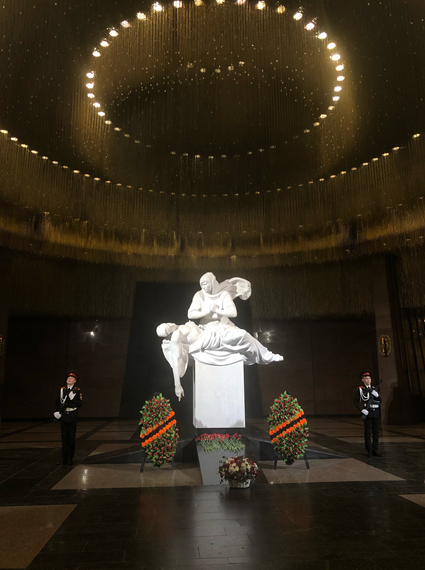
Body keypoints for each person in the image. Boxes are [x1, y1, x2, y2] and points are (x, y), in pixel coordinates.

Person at [157, 320, 283, 400]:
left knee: (242, 333)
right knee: (243, 335)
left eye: (167, 324)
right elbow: (177, 358)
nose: (169, 325)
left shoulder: (178, 326)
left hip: (212, 332)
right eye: (167, 327)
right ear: (168, 333)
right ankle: (265, 356)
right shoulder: (176, 337)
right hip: (213, 341)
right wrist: (177, 385)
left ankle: (265, 354)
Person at [54, 371, 83, 466]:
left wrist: (72, 400)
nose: (69, 379)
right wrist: (56, 411)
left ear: (75, 381)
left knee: (71, 437)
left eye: (71, 378)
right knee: (64, 437)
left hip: (72, 415)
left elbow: (80, 404)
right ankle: (64, 457)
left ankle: (70, 457)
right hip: (64, 415)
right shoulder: (62, 390)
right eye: (68, 378)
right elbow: (57, 401)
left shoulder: (77, 390)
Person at [354, 370, 383, 458]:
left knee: (376, 433)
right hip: (368, 412)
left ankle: (375, 450)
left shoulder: (374, 388)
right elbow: (355, 401)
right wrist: (362, 410)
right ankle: (369, 450)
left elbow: (380, 401)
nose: (368, 380)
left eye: (369, 378)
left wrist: (377, 396)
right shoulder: (360, 389)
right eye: (366, 378)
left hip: (376, 412)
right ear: (362, 380)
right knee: (367, 433)